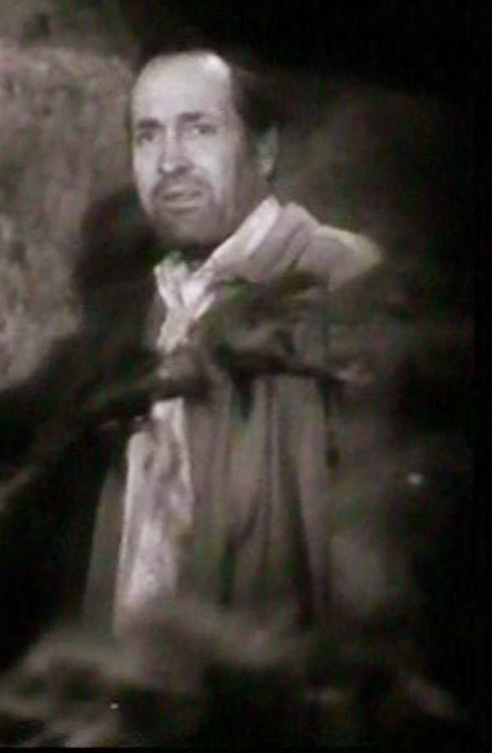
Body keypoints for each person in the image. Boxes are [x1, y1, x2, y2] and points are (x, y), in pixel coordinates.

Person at [75, 41, 385, 634]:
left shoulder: (340, 283)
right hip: (140, 676)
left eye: (199, 129)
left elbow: (380, 562)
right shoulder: (154, 307)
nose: (169, 161)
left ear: (263, 149)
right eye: (148, 135)